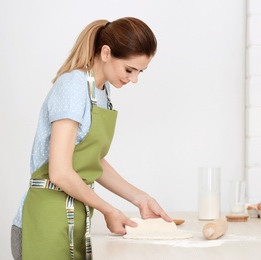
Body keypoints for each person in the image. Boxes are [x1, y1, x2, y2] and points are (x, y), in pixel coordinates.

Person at [11, 17, 172, 260]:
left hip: (72, 220)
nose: (134, 79)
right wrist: (109, 210)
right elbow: (60, 172)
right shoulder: (73, 87)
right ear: (106, 53)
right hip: (44, 223)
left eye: (140, 72)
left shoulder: (102, 92)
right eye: (129, 69)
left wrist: (141, 198)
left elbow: (90, 162)